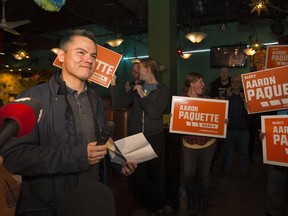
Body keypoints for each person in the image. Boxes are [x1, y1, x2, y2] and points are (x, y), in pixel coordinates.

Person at [0, 29, 137, 216]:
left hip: (92, 197)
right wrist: (77, 156)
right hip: (53, 205)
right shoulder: (32, 98)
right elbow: (15, 157)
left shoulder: (94, 98)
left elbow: (102, 139)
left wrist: (119, 162)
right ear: (62, 56)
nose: (89, 59)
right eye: (81, 52)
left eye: (93, 55)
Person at [110, 57, 171, 215]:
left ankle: (153, 207)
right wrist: (114, 84)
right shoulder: (137, 86)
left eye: (140, 68)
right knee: (138, 177)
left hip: (154, 137)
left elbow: (154, 113)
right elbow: (119, 103)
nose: (137, 71)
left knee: (153, 175)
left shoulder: (163, 90)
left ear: (148, 69)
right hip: (137, 137)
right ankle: (159, 205)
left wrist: (142, 96)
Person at [180, 72, 217, 216]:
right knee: (188, 174)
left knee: (205, 175)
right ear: (191, 84)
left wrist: (222, 121)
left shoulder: (207, 99)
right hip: (189, 144)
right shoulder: (180, 100)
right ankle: (191, 199)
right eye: (200, 82)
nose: (203, 85)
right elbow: (177, 121)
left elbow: (216, 119)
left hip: (207, 144)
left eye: (203, 82)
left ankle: (202, 202)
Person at [259, 109, 288, 216]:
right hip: (277, 154)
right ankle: (272, 211)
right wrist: (263, 134)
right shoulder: (272, 106)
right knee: (274, 185)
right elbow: (265, 127)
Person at [221, 75, 250, 178]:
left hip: (243, 130)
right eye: (233, 82)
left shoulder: (246, 95)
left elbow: (252, 113)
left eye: (238, 82)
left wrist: (246, 100)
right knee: (227, 152)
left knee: (244, 153)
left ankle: (245, 173)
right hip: (229, 129)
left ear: (242, 84)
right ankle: (226, 171)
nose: (236, 84)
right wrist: (227, 97)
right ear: (231, 83)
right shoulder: (227, 94)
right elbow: (220, 108)